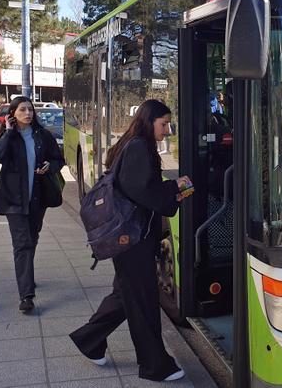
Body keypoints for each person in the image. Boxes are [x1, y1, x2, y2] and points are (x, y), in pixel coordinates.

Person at [69, 99, 192, 382]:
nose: (167, 130)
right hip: (133, 240)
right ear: (149, 122)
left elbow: (138, 188)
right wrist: (176, 188)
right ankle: (154, 365)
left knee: (126, 295)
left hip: (129, 237)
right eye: (164, 124)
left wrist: (171, 191)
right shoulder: (138, 147)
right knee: (143, 301)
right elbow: (143, 191)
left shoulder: (134, 144)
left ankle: (90, 339)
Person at [0, 96, 64, 313]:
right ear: (13, 113)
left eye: (30, 110)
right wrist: (9, 131)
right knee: (22, 244)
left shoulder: (43, 135)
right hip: (13, 199)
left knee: (32, 238)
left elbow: (59, 160)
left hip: (37, 198)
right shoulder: (8, 136)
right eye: (22, 110)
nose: (28, 113)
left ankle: (26, 274)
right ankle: (26, 296)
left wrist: (50, 166)